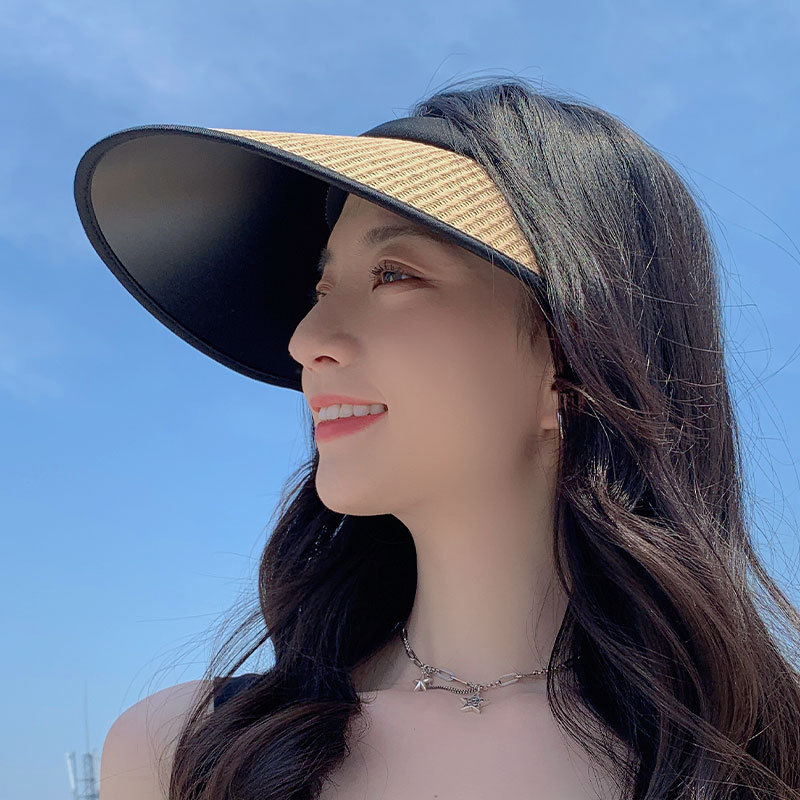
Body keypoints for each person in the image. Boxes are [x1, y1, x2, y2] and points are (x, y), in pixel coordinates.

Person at [75, 76, 800, 800]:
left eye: (394, 275)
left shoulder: (767, 761)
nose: (306, 340)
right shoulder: (177, 754)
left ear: (574, 359)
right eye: (322, 289)